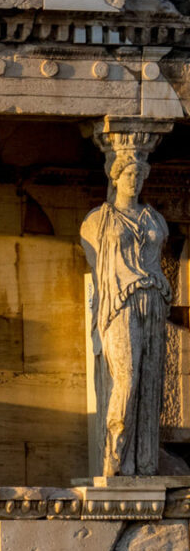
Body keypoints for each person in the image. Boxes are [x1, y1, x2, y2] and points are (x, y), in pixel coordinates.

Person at [80, 151, 171, 476]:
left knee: (150, 384)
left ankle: (144, 463)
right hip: (119, 303)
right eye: (129, 174)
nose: (135, 181)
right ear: (115, 177)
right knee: (127, 379)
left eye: (140, 175)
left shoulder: (154, 219)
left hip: (154, 301)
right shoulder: (97, 220)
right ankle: (115, 461)